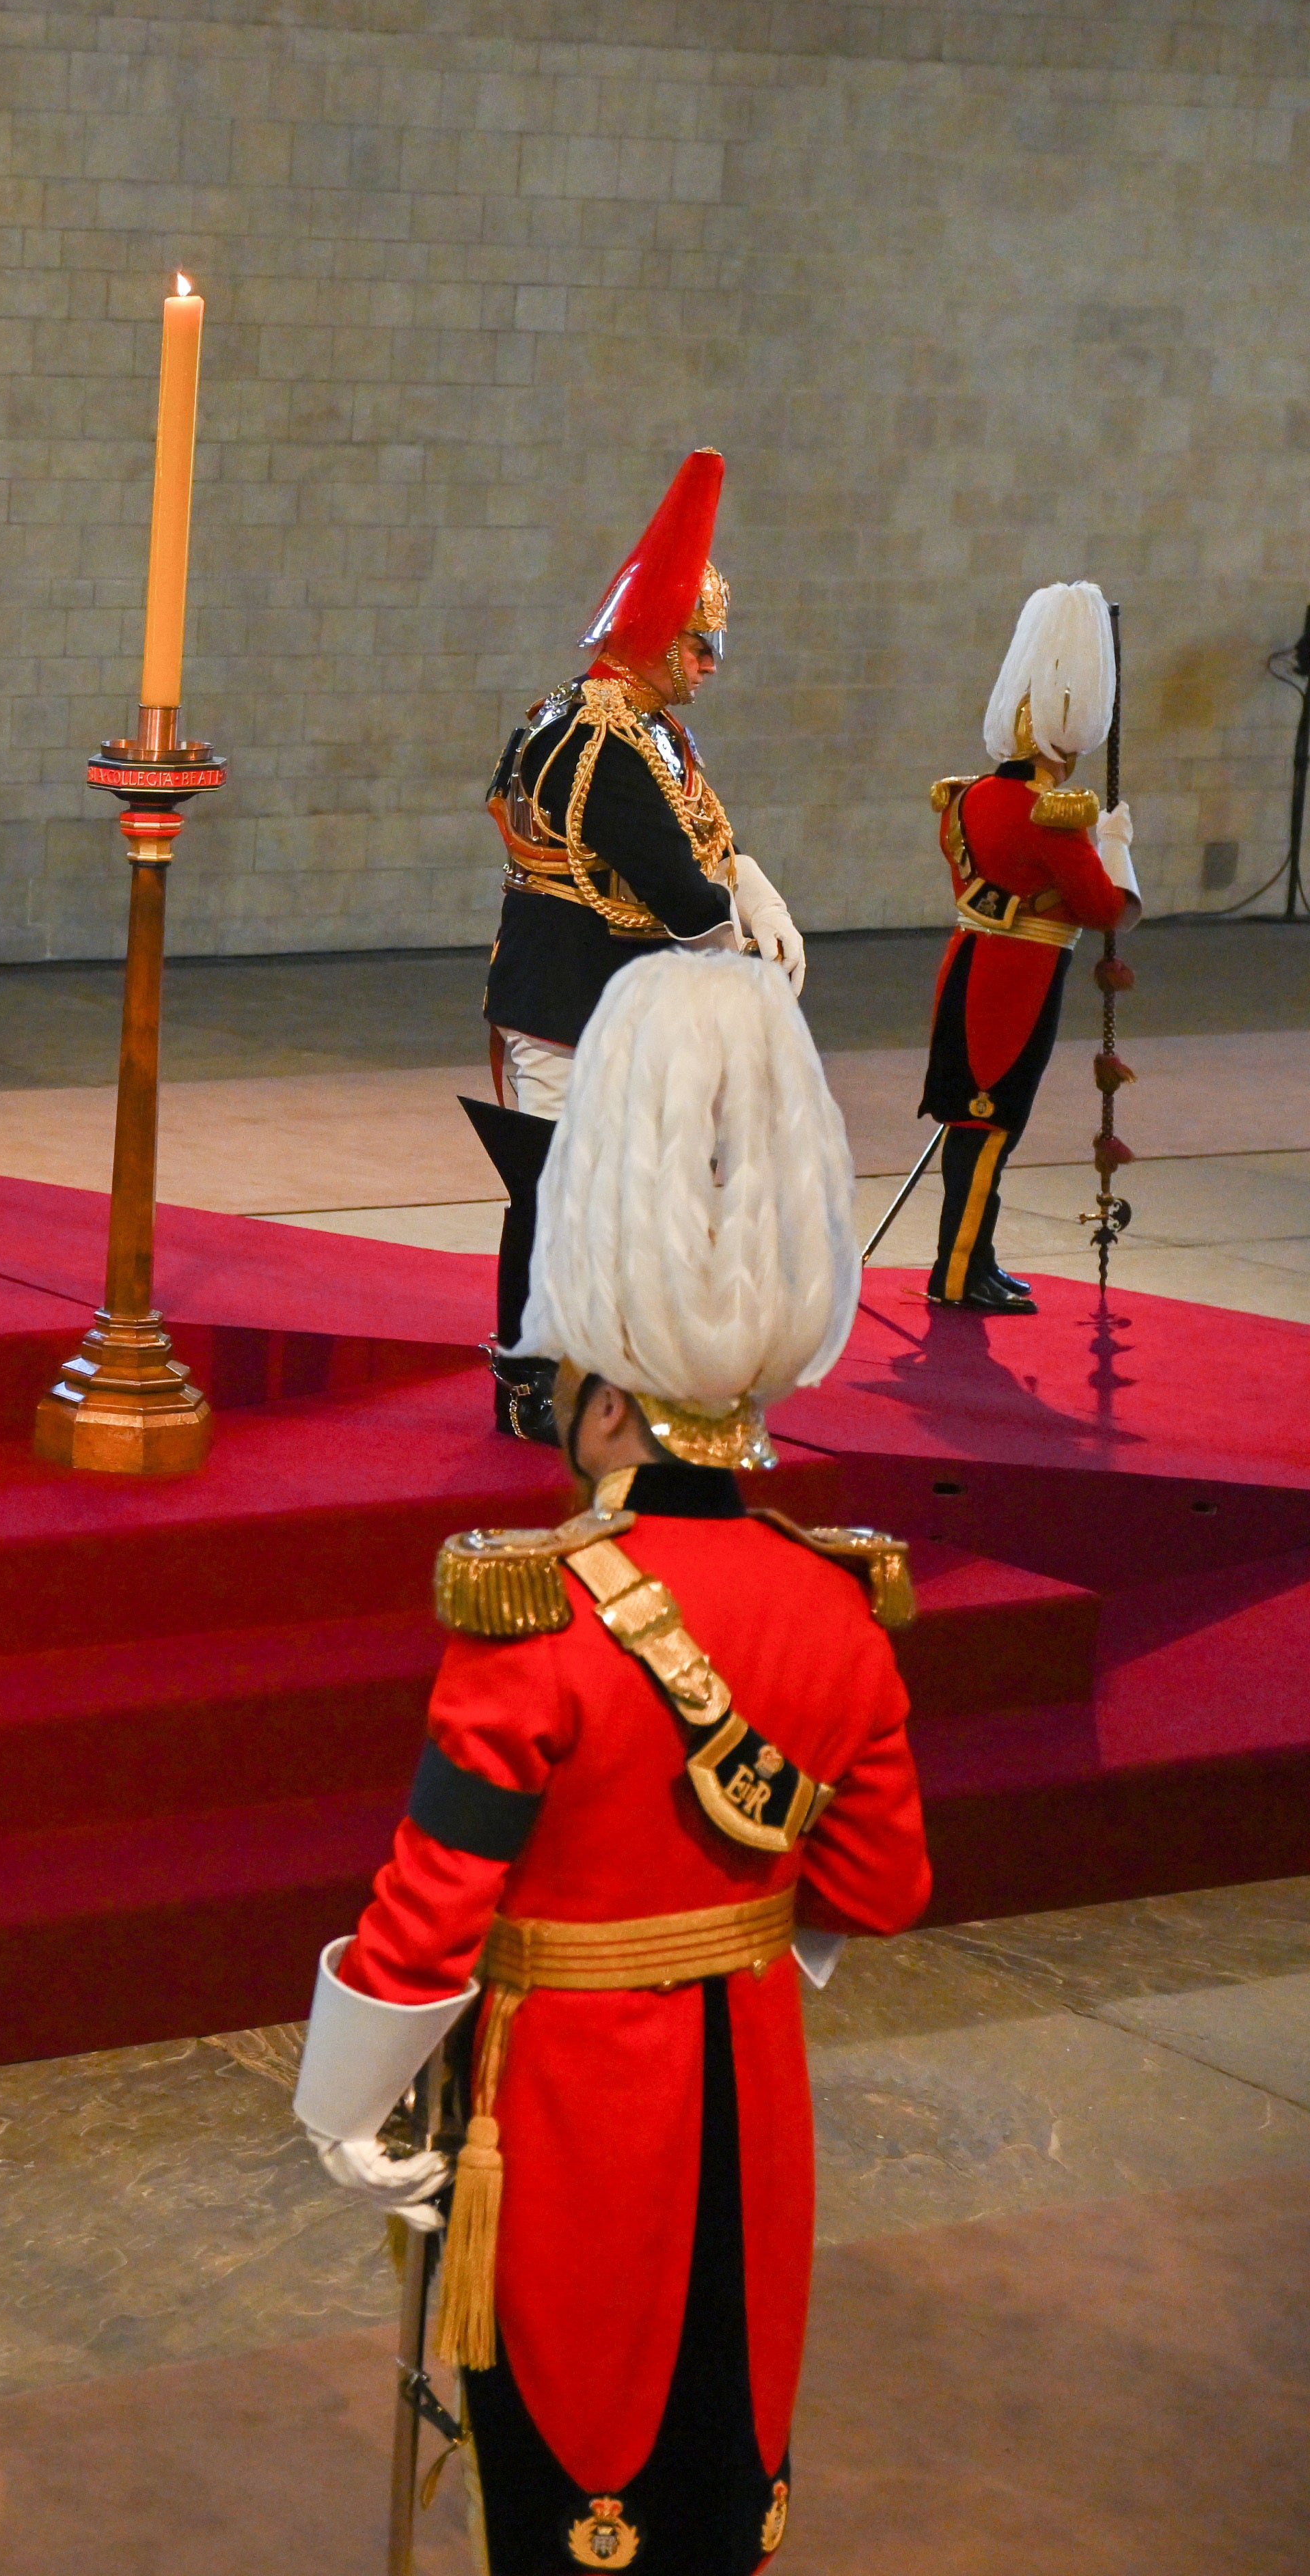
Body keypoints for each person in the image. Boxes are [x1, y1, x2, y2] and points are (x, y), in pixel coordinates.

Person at [291, 950, 929, 2576]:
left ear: (594, 1393)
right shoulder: (837, 1596)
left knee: (567, 2484)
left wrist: (344, 2100)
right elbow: (881, 1886)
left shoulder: (532, 1609)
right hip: (749, 2082)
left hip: (569, 2109)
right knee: (720, 2460)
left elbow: (427, 1913)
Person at [471, 452, 806, 1443]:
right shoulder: (607, 738)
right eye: (702, 647)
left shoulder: (633, 722)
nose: (710, 665)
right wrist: (737, 949)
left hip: (610, 1001)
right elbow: (674, 889)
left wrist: (750, 875)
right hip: (570, 1002)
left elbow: (699, 835)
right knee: (557, 1194)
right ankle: (528, 1381)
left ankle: (603, 1367)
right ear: (659, 642)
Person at [919, 583, 1141, 1315]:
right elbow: (1104, 908)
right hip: (1015, 983)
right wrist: (1113, 845)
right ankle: (957, 1273)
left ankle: (974, 1260)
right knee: (988, 1127)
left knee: (980, 1129)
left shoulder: (974, 795)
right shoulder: (1052, 814)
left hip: (970, 967)